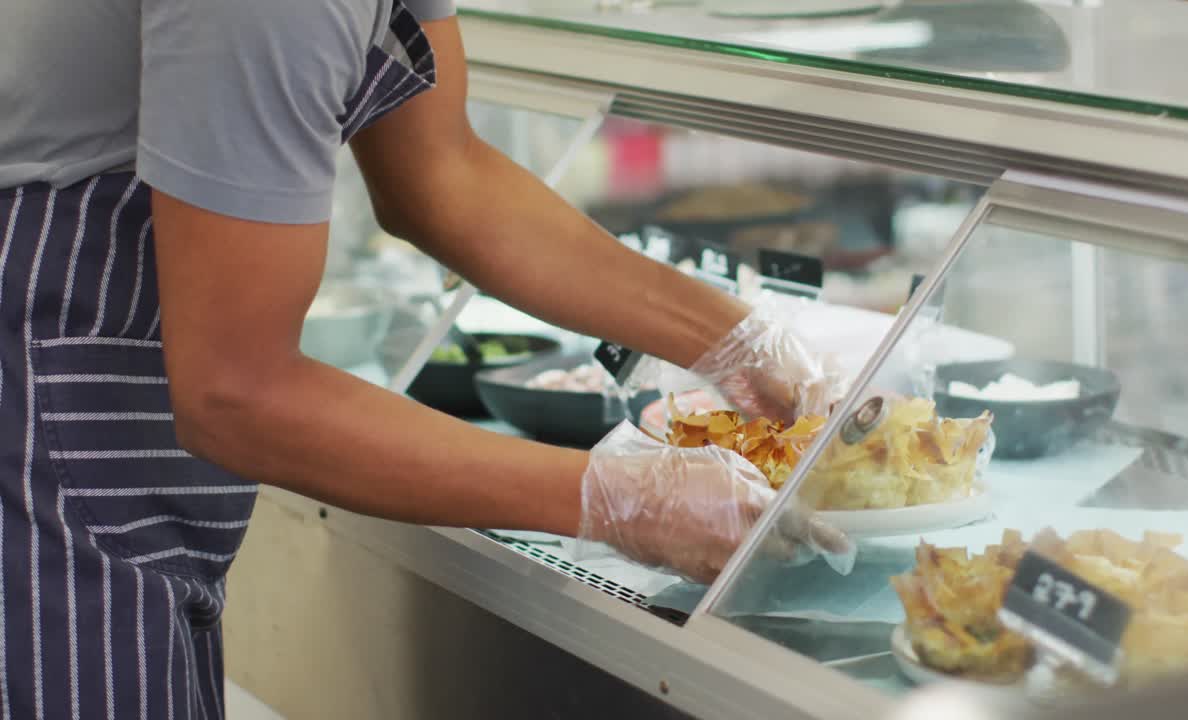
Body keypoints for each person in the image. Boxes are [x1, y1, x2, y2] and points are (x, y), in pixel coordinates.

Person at [0, 0, 845, 717]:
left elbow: (442, 175)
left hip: (122, 440)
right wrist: (620, 499)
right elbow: (235, 393)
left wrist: (737, 338)